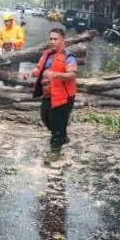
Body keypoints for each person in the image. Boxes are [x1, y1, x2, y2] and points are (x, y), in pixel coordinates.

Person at [27, 27, 77, 160]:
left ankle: (55, 150)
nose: (52, 41)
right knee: (45, 117)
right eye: (50, 39)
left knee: (56, 123)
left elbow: (71, 75)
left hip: (63, 96)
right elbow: (39, 68)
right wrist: (31, 72)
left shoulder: (68, 56)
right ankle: (62, 136)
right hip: (49, 95)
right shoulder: (46, 54)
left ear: (62, 41)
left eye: (55, 39)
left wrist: (55, 74)